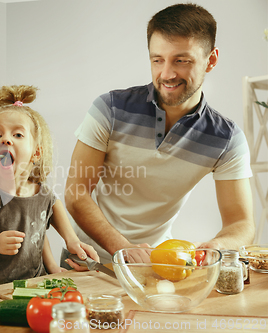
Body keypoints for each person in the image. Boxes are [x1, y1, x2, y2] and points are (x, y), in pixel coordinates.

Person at [64, 3, 255, 265]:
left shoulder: (227, 139)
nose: (167, 74)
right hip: (87, 260)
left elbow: (241, 223)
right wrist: (123, 249)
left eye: (181, 60)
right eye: (158, 60)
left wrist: (217, 245)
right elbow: (76, 194)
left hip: (155, 264)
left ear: (211, 60)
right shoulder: (109, 109)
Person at [0, 85, 99, 290]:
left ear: (36, 153)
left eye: (18, 135)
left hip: (32, 286)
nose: (6, 139)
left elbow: (38, 229)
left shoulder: (41, 193)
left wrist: (69, 244)